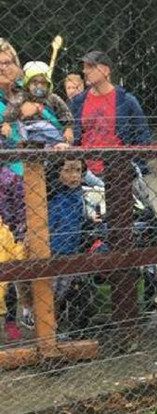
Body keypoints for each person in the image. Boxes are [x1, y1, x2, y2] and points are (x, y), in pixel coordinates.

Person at [46, 156, 105, 338]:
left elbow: (79, 215)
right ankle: (47, 331)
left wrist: (89, 220)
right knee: (50, 294)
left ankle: (54, 328)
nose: (74, 176)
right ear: (57, 173)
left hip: (71, 249)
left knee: (63, 291)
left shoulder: (78, 192)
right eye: (68, 170)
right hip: (51, 250)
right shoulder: (50, 193)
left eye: (78, 170)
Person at [67, 50, 151, 175]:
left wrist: (135, 166)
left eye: (91, 67)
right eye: (84, 67)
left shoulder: (126, 100)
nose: (85, 71)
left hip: (119, 171)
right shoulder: (78, 102)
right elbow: (71, 135)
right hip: (86, 173)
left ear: (106, 70)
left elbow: (142, 134)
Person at [0, 38, 33, 333]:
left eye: (7, 62)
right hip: (4, 181)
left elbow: (58, 123)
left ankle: (26, 307)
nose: (2, 68)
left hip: (31, 179)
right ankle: (6, 313)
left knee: (28, 247)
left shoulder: (30, 93)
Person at [1, 61, 74, 148]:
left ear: (48, 85)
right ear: (28, 84)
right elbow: (12, 107)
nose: (39, 86)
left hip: (49, 129)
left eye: (43, 83)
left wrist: (68, 128)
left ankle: (55, 147)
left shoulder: (52, 98)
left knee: (55, 138)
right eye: (35, 82)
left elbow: (64, 112)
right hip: (28, 129)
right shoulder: (22, 96)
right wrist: (6, 123)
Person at [0, 215, 24, 342]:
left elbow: (12, 249)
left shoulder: (4, 231)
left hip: (4, 271)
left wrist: (20, 249)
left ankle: (10, 323)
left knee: (10, 296)